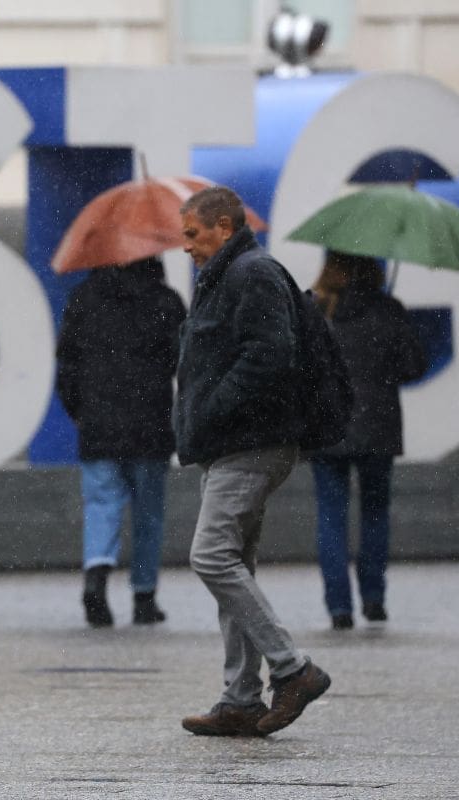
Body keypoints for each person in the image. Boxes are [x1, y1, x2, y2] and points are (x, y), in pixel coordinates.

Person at [173, 186, 331, 738]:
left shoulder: (251, 272)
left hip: (250, 443)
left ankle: (293, 669)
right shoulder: (227, 275)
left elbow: (270, 354)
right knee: (233, 562)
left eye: (192, 233)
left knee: (211, 556)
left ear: (223, 227)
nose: (185, 245)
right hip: (234, 443)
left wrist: (212, 409)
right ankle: (240, 698)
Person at [55, 256, 186, 627]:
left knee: (101, 504)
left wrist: (79, 409)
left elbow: (67, 364)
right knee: (149, 513)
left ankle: (96, 578)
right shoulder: (166, 301)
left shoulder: (83, 298)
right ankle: (144, 597)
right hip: (150, 424)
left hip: (98, 425)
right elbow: (183, 360)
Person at [308, 251, 427, 630]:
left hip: (328, 427)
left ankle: (338, 607)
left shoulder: (318, 309)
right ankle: (374, 598)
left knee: (331, 516)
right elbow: (414, 366)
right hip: (378, 426)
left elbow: (302, 367)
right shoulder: (388, 309)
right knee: (375, 513)